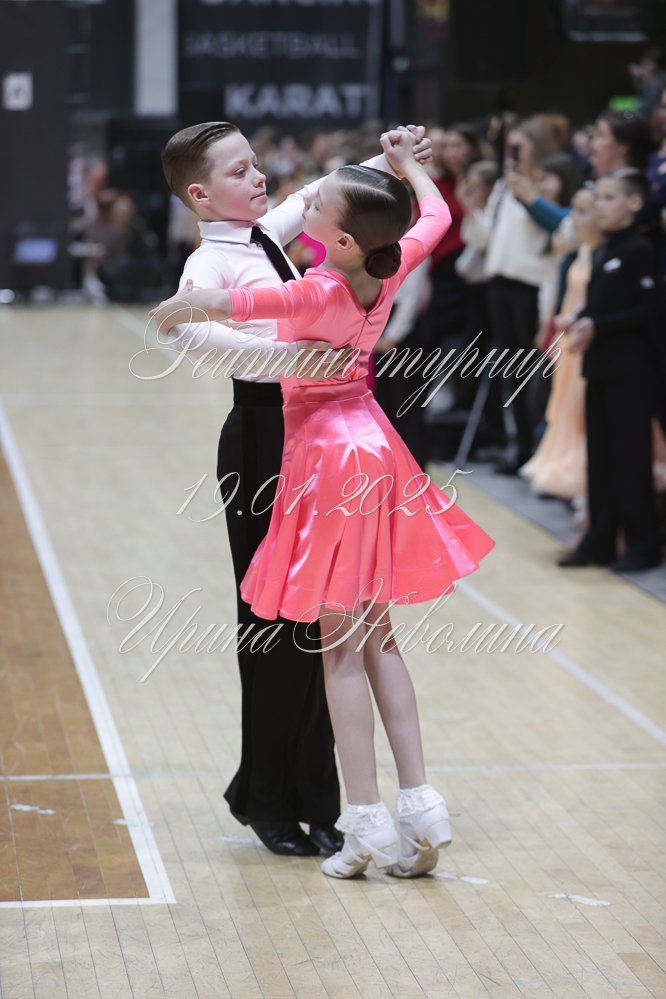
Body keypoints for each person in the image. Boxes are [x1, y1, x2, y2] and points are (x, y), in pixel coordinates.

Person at [152, 129, 495, 879]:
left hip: (320, 433)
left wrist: (388, 155)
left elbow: (327, 198)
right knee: (279, 630)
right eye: (240, 170)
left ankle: (328, 798)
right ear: (201, 194)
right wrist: (299, 358)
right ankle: (271, 798)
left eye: (257, 163)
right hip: (268, 434)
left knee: (331, 632)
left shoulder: (281, 236)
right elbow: (197, 339)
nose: (262, 177)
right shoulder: (212, 258)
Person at [558, 168, 661, 572]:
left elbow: (649, 309)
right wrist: (580, 318)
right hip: (599, 366)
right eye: (598, 197)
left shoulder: (640, 249)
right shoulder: (606, 249)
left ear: (634, 203)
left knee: (630, 458)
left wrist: (597, 324)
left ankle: (642, 545)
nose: (600, 206)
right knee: (599, 458)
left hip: (630, 370)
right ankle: (599, 541)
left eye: (608, 198)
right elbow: (603, 303)